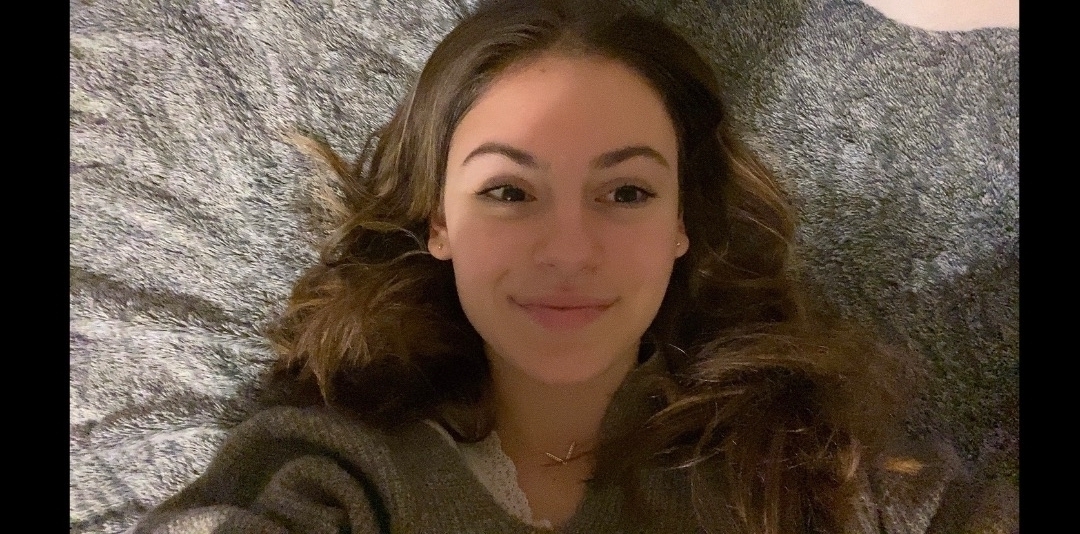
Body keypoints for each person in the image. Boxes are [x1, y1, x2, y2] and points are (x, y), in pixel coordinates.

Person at [132, 0, 1003, 532]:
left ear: (681, 226)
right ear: (440, 222)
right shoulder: (330, 470)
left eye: (625, 192)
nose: (569, 251)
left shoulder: (806, 457)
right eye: (510, 191)